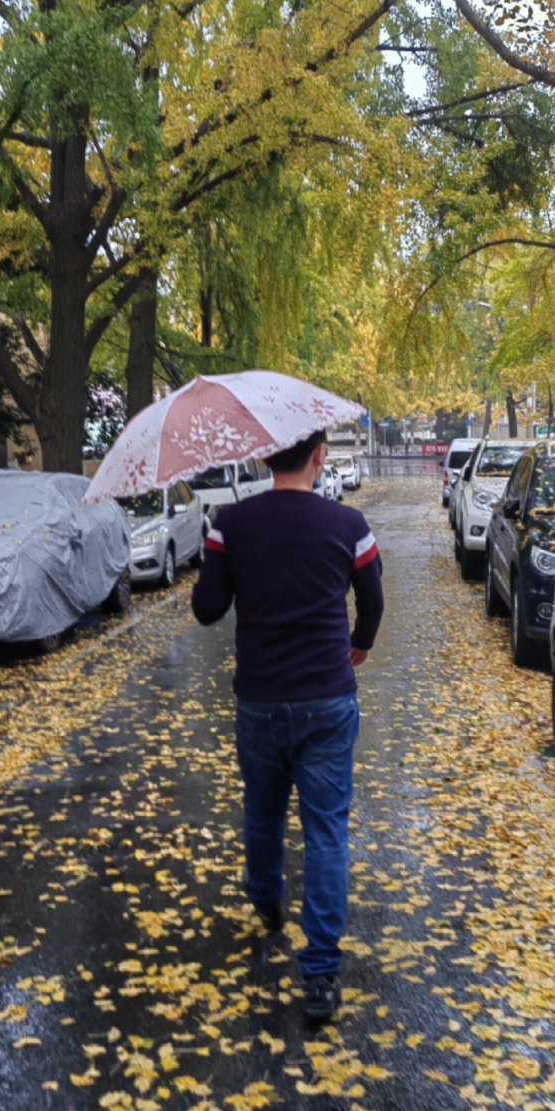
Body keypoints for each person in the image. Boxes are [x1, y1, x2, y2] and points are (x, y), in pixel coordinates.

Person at [191, 429, 384, 1023]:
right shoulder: (348, 525)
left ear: (262, 456)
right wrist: (358, 647)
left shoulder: (231, 523)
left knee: (263, 808)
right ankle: (320, 974)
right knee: (326, 831)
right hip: (328, 699)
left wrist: (214, 555)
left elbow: (206, 610)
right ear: (319, 455)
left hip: (261, 700)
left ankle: (266, 900)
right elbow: (373, 603)